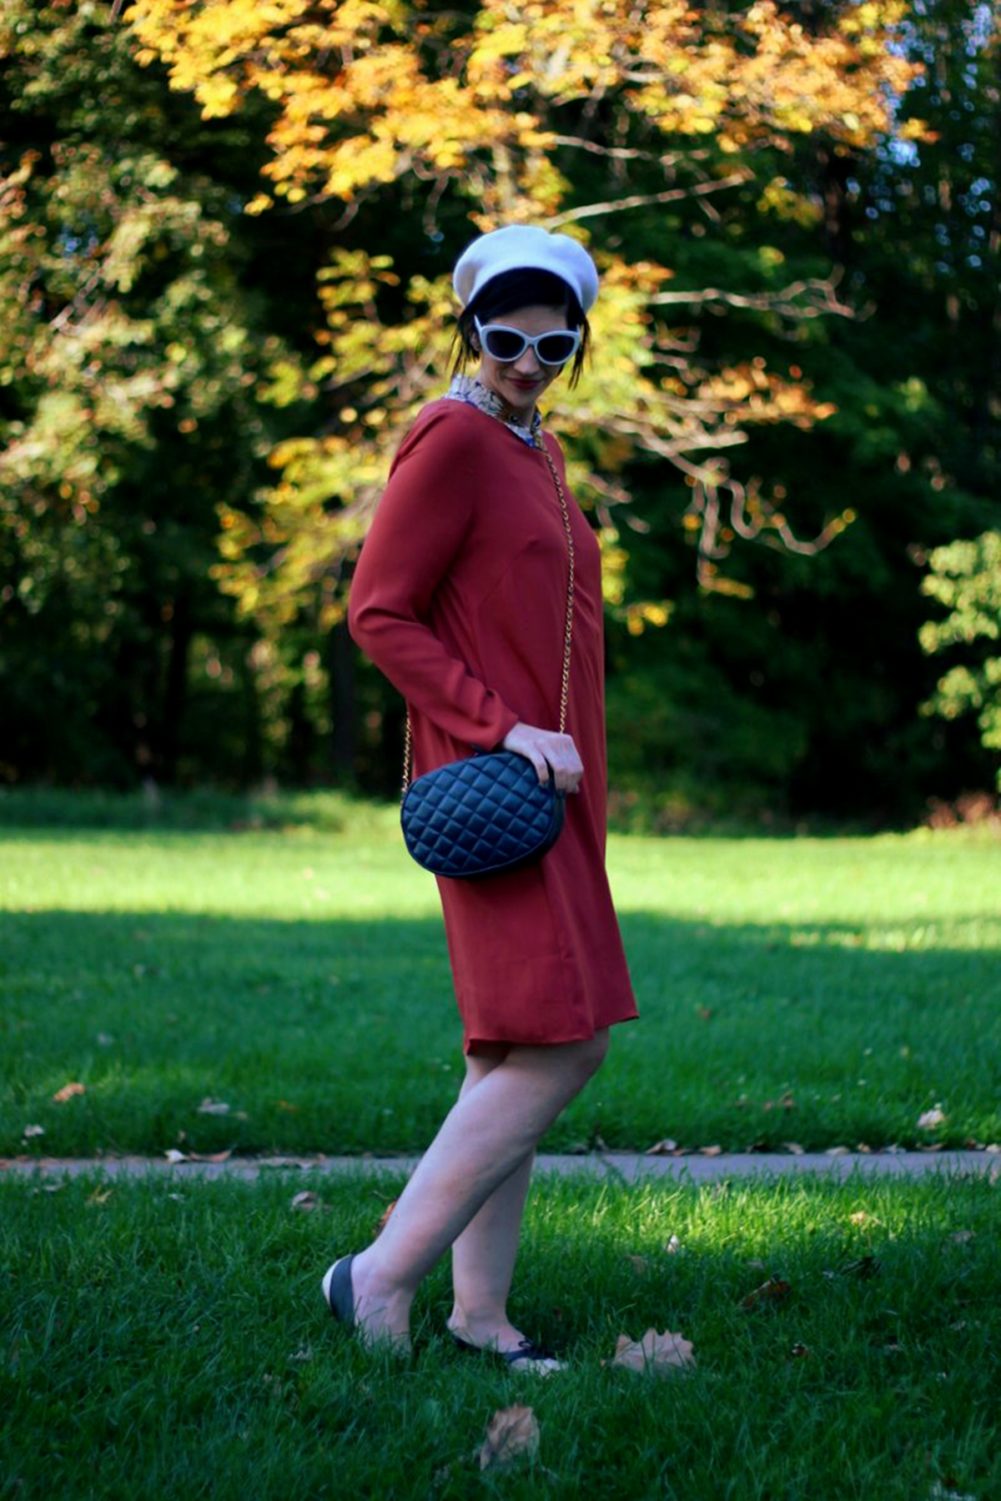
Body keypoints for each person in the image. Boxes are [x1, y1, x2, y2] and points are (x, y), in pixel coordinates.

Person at [323, 224, 639, 1370]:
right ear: (469, 328)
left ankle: (477, 1314)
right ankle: (378, 1274)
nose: (523, 360)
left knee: (512, 1048)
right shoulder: (452, 439)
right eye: (501, 338)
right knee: (565, 1045)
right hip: (501, 782)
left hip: (556, 781)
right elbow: (378, 612)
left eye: (548, 344)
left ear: (572, 341)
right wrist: (497, 724)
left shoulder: (534, 450)